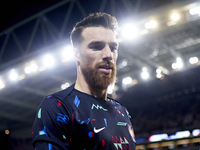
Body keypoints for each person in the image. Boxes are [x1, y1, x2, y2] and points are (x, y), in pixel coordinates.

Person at [32, 12, 136, 150]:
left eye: (113, 48)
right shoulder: (57, 106)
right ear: (76, 54)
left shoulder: (122, 111)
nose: (108, 55)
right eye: (97, 47)